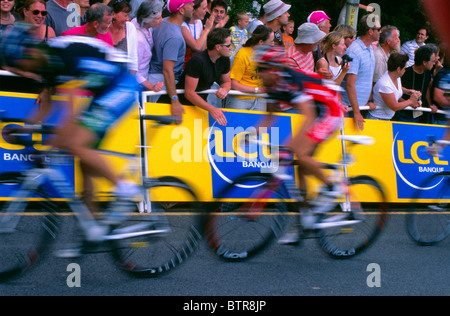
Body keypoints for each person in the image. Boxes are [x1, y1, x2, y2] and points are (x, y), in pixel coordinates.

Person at [0, 23, 140, 246]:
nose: (20, 69)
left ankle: (125, 188)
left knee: (75, 144)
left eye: (18, 63)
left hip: (121, 85)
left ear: (28, 52)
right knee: (83, 159)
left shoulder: (58, 57)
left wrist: (58, 139)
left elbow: (70, 111)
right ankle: (95, 228)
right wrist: (26, 128)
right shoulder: (44, 64)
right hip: (103, 89)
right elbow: (45, 106)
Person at [252, 45, 344, 244]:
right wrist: (251, 134)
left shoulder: (289, 81)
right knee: (300, 166)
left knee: (300, 154)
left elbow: (309, 116)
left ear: (274, 68)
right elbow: (269, 118)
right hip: (317, 110)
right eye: (258, 68)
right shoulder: (271, 85)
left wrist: (290, 146)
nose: (259, 73)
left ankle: (333, 187)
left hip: (330, 110)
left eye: (263, 68)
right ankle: (306, 219)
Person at [148, 0, 194, 120]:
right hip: (162, 84)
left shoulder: (163, 22)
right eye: (190, 4)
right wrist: (175, 100)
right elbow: (167, 70)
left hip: (156, 79)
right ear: (181, 10)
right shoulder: (175, 37)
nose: (193, 6)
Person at [179, 27, 230, 126]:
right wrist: (212, 109)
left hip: (200, 105)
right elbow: (189, 93)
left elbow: (227, 82)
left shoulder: (224, 59)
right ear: (218, 47)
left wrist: (225, 89)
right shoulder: (197, 61)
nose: (231, 48)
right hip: (182, 105)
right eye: (228, 45)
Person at [342, 14, 380, 131]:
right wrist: (357, 112)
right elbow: (350, 84)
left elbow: (367, 78)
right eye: (378, 29)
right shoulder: (354, 51)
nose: (380, 32)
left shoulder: (369, 48)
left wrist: (369, 100)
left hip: (360, 107)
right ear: (370, 31)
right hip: (350, 108)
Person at [225, 25, 273, 112]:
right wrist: (257, 90)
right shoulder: (242, 54)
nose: (273, 44)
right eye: (271, 42)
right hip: (240, 99)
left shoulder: (269, 56)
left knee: (260, 126)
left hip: (260, 99)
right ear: (261, 42)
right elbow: (233, 84)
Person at [367, 52, 421, 120]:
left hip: (386, 118)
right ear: (398, 69)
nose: (405, 70)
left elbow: (394, 89)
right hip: (377, 119)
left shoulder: (395, 77)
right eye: (404, 68)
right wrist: (410, 101)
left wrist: (406, 91)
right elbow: (394, 106)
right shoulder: (385, 85)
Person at [392, 44, 436, 123]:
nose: (434, 63)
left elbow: (426, 90)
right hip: (403, 113)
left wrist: (430, 105)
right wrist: (409, 103)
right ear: (424, 62)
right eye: (433, 61)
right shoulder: (404, 73)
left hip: (419, 114)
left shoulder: (427, 74)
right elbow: (395, 93)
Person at [131, 0, 164, 92]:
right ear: (146, 19)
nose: (161, 20)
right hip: (137, 85)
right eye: (158, 18)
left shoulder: (138, 22)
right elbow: (133, 70)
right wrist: (151, 87)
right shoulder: (139, 40)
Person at [107, 0, 138, 74]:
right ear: (113, 14)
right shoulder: (103, 28)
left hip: (123, 76)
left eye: (128, 15)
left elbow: (134, 59)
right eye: (125, 15)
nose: (128, 19)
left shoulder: (130, 27)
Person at [181, 0, 213, 66]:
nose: (206, 10)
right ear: (193, 9)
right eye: (204, 8)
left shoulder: (199, 22)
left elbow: (203, 48)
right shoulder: (183, 25)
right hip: (183, 66)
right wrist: (207, 29)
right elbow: (197, 47)